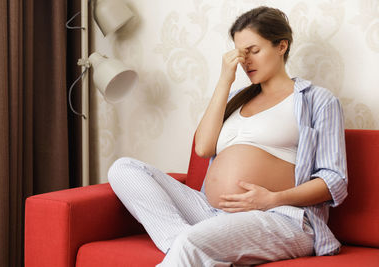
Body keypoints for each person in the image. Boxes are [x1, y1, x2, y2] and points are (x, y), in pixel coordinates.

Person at [108, 6, 348, 266]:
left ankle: (188, 246)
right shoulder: (235, 98)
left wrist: (272, 199)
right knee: (123, 169)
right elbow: (203, 147)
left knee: (191, 243)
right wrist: (225, 80)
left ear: (281, 46)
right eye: (240, 53)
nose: (246, 61)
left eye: (254, 51)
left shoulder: (316, 101)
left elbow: (334, 181)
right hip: (209, 211)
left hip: (279, 215)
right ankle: (183, 242)